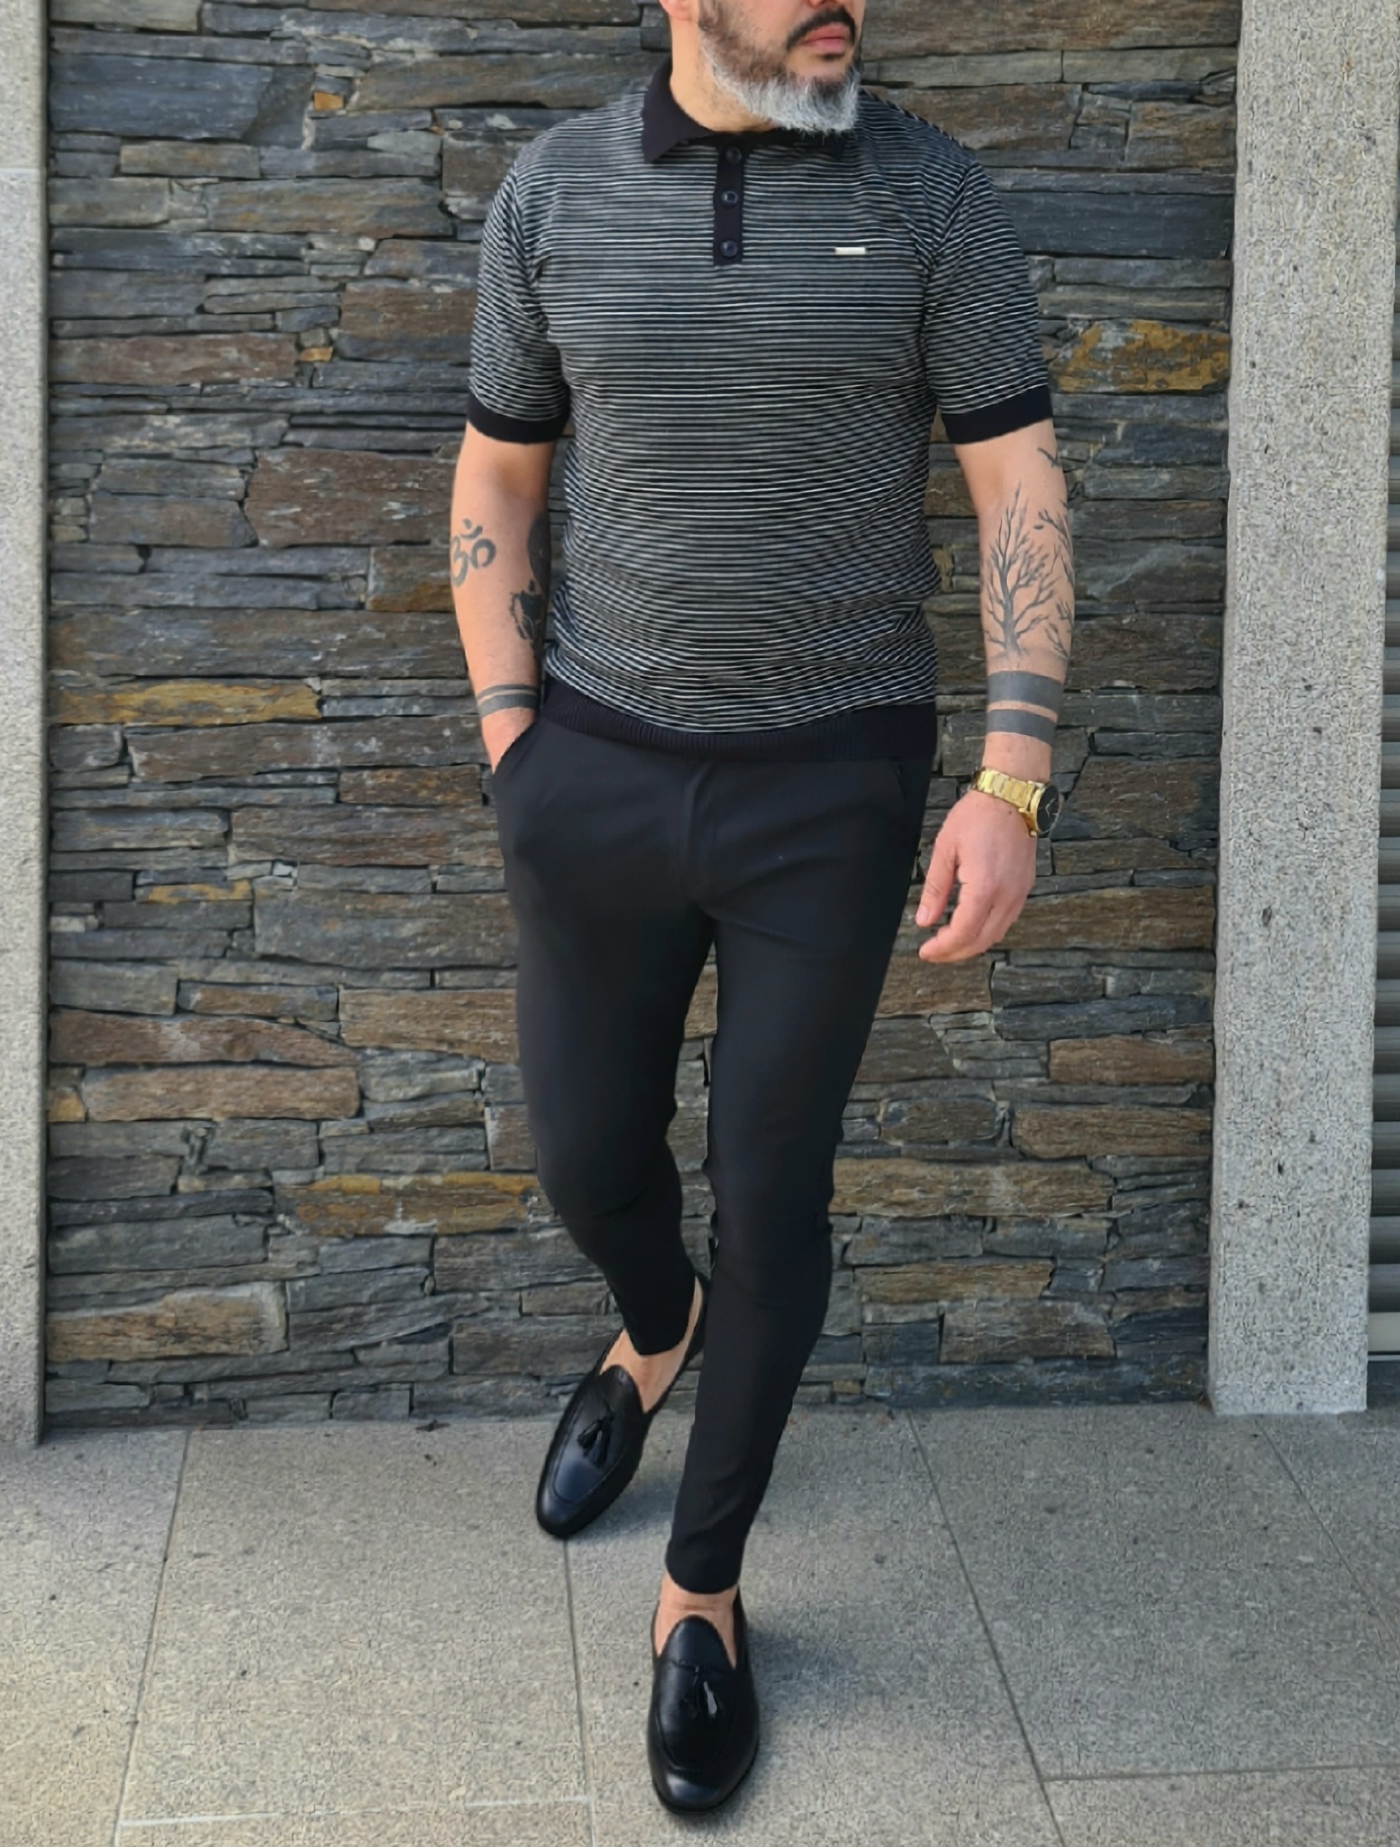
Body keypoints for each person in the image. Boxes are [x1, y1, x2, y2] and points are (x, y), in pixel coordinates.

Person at [447, 0, 1073, 1813]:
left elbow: (1018, 485)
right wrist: (511, 734)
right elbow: (498, 469)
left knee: (773, 1186)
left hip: (832, 785)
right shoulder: (552, 193)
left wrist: (1012, 779)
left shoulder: (933, 195)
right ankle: (657, 1329)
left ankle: (702, 1589)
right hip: (595, 768)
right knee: (585, 1156)